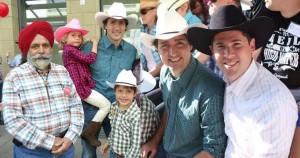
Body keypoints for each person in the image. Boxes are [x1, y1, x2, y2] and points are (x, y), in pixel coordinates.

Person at [188, 5, 298, 157]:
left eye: (236, 44)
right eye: (220, 46)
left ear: (252, 45)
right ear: (212, 51)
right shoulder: (227, 83)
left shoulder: (272, 104)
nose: (229, 54)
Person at [141, 10, 227, 158]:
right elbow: (170, 109)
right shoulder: (165, 72)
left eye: (179, 43)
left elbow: (214, 149)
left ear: (191, 45)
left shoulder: (210, 88)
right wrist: (154, 141)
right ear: (157, 49)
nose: (172, 52)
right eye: (164, 45)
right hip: (166, 148)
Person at [2, 20, 84, 157]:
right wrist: (50, 142)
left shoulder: (62, 72)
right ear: (27, 49)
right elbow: (13, 120)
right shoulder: (15, 76)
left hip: (66, 147)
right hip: (31, 152)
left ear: (51, 47)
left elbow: (76, 106)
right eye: (35, 46)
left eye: (45, 45)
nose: (41, 51)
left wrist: (70, 137)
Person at [80, 2, 138, 157]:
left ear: (125, 27)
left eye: (121, 23)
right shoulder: (89, 47)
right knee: (88, 153)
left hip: (118, 109)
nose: (117, 27)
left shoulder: (132, 51)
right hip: (91, 109)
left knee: (119, 151)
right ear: (105, 25)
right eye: (112, 22)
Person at [54, 18, 111, 147]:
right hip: (81, 88)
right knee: (106, 105)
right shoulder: (69, 50)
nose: (78, 38)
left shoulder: (73, 50)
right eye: (73, 35)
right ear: (64, 39)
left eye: (79, 36)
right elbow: (90, 59)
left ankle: (69, 133)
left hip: (81, 87)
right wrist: (95, 44)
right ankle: (89, 132)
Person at [100, 69, 140, 158]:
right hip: (114, 153)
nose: (124, 95)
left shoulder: (136, 115)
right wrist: (108, 142)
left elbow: (136, 146)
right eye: (120, 91)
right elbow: (114, 128)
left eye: (128, 91)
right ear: (115, 91)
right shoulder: (114, 106)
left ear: (134, 93)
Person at [140, 0, 163, 79]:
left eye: (144, 11)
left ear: (154, 11)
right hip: (148, 77)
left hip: (160, 78)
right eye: (140, 11)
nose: (141, 15)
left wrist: (148, 76)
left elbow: (165, 60)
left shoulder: (161, 30)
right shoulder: (143, 29)